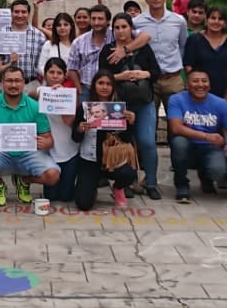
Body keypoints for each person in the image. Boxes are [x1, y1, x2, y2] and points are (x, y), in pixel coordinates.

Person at [0, 67, 60, 207]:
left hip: (28, 153)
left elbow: (49, 139)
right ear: (2, 82)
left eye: (17, 81)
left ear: (24, 83)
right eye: (9, 81)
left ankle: (24, 181)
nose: (13, 85)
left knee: (53, 175)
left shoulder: (35, 106)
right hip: (0, 152)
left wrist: (46, 143)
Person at [98, 13, 160, 199]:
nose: (120, 31)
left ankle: (151, 182)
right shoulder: (108, 50)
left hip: (144, 102)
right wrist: (120, 77)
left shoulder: (143, 48)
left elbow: (156, 71)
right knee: (124, 143)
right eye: (117, 28)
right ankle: (128, 182)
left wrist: (144, 74)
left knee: (147, 142)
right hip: (119, 105)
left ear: (131, 28)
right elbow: (101, 77)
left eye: (124, 27)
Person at [167, 69, 227, 202]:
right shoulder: (176, 99)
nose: (200, 85)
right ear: (187, 85)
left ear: (209, 85)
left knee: (219, 172)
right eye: (195, 81)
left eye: (204, 81)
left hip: (210, 147)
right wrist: (206, 136)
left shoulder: (221, 104)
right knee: (178, 143)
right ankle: (182, 185)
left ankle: (206, 177)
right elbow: (176, 128)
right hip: (187, 144)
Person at [71, 72, 139, 210]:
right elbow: (75, 138)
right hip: (90, 160)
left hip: (113, 160)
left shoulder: (119, 108)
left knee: (129, 172)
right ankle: (93, 186)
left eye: (108, 84)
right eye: (100, 83)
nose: (104, 87)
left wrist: (130, 123)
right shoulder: (85, 108)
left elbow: (126, 139)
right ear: (94, 85)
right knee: (83, 204)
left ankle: (118, 188)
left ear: (113, 87)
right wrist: (79, 129)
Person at [133, 0, 189, 139]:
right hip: (149, 81)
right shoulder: (137, 22)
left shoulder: (179, 21)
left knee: (177, 126)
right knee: (148, 125)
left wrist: (181, 73)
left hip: (173, 79)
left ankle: (178, 162)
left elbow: (182, 46)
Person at [34, 58, 80, 203]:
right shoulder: (40, 91)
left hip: (70, 150)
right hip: (48, 151)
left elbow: (69, 121)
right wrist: (47, 94)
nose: (55, 76)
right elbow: (28, 95)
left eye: (59, 73)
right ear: (45, 74)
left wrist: (60, 99)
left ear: (65, 75)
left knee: (66, 197)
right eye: (51, 72)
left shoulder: (70, 94)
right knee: (51, 197)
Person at [0, 0, 47, 95]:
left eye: (23, 12)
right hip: (7, 85)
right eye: (16, 12)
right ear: (11, 13)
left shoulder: (39, 35)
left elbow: (42, 63)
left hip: (31, 85)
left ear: (29, 14)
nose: (20, 15)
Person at [184, 6, 227, 98]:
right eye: (213, 18)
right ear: (206, 20)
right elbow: (188, 67)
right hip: (200, 90)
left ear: (225, 23)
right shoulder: (194, 40)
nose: (216, 21)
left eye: (220, 19)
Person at [67, 5, 111, 91]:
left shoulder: (116, 35)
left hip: (111, 90)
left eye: (100, 19)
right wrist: (80, 91)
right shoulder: (78, 42)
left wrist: (125, 49)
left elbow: (143, 35)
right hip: (87, 89)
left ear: (108, 21)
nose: (96, 22)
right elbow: (72, 69)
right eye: (93, 19)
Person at [38, 13, 76, 80]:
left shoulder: (77, 45)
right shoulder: (48, 44)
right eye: (59, 25)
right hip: (50, 85)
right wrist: (53, 77)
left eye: (65, 25)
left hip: (71, 84)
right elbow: (41, 66)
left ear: (71, 26)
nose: (62, 28)